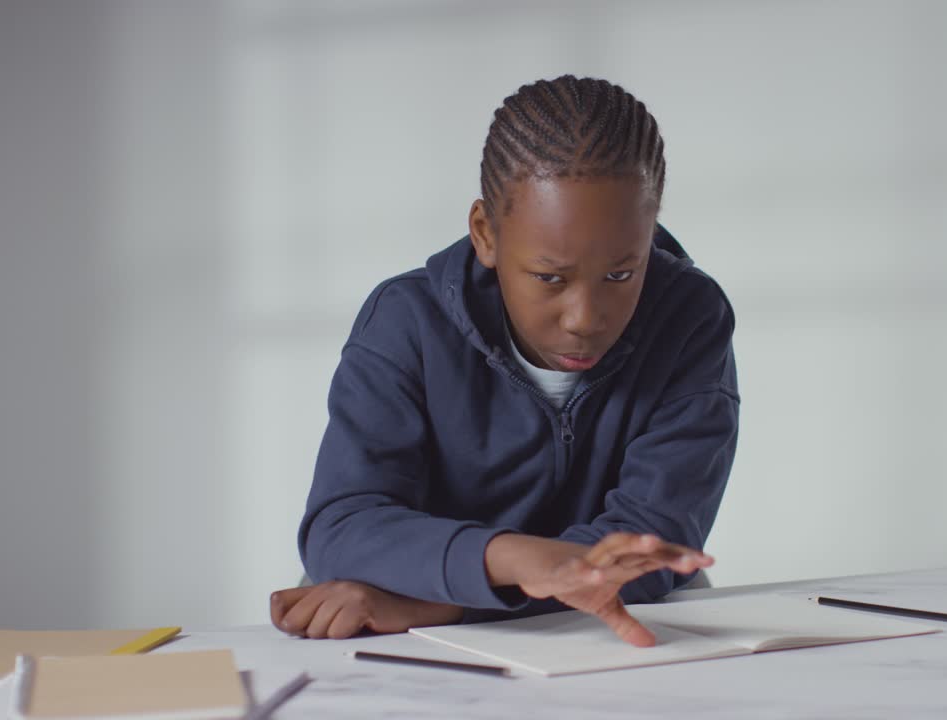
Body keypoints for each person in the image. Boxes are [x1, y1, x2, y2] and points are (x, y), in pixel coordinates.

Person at [269, 75, 740, 647]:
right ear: (485, 233)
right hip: (381, 625)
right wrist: (519, 562)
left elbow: (653, 547)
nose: (584, 318)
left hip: (469, 611)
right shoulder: (404, 321)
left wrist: (433, 605)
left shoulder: (690, 315)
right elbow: (342, 528)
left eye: (622, 273)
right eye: (550, 277)